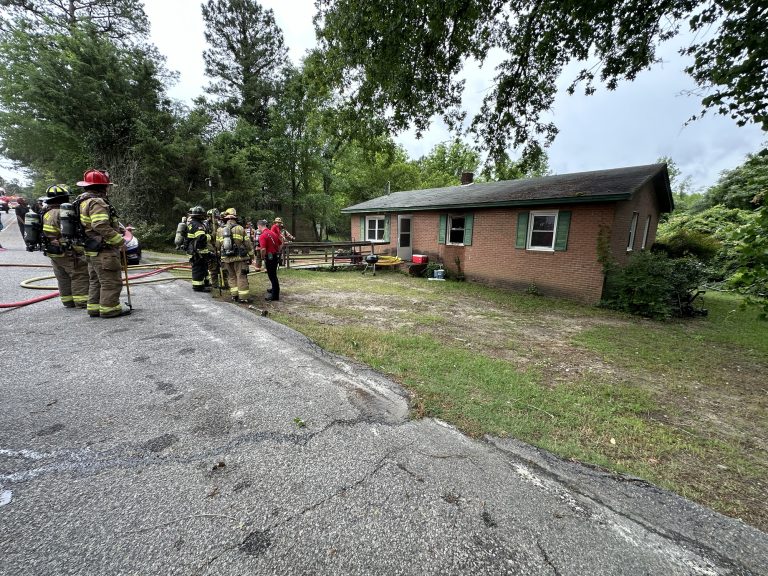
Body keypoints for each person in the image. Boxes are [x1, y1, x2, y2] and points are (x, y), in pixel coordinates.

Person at [76, 168, 129, 318]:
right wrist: (119, 240)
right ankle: (110, 309)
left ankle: (94, 308)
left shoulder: (81, 201)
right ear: (103, 187)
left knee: (96, 281)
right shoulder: (97, 202)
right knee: (111, 282)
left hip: (91, 249)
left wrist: (119, 229)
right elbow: (99, 225)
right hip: (103, 250)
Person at [41, 184, 89, 309]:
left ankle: (68, 301)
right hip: (68, 250)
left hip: (53, 250)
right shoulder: (64, 213)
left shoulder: (45, 212)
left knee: (62, 277)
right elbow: (73, 232)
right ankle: (82, 301)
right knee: (79, 274)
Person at [216, 208, 254, 303]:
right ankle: (243, 298)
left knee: (231, 276)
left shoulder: (219, 230)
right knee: (241, 276)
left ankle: (234, 296)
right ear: (235, 218)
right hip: (239, 258)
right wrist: (251, 256)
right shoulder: (240, 228)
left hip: (226, 258)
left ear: (225, 218)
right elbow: (248, 244)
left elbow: (217, 246)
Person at [185, 206, 212, 292]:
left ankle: (205, 283)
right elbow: (201, 238)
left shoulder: (193, 223)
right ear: (199, 215)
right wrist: (210, 236)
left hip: (197, 250)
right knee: (198, 269)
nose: (204, 216)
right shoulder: (197, 225)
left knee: (203, 267)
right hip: (197, 252)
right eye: (202, 215)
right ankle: (198, 287)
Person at [258, 219, 281, 301]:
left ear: (259, 226)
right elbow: (280, 243)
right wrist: (277, 251)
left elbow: (263, 249)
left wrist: (262, 257)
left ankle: (275, 295)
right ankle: (273, 289)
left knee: (272, 276)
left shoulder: (262, 235)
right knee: (273, 274)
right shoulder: (273, 233)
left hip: (269, 257)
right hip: (275, 255)